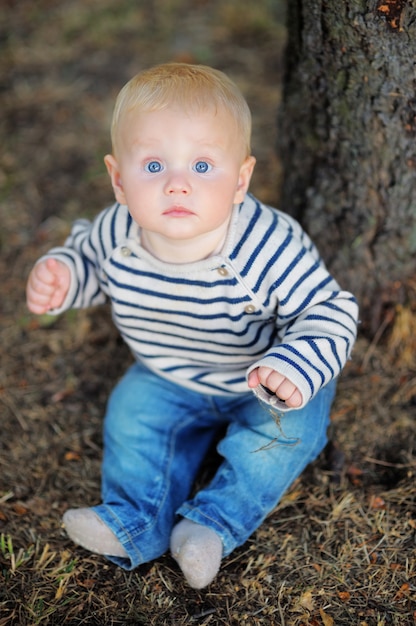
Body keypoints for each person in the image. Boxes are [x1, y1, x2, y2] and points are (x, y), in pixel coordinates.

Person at [26, 62, 358, 589]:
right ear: (118, 179)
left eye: (203, 166)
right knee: (131, 417)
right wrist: (65, 274)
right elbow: (91, 262)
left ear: (240, 180)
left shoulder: (267, 246)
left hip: (265, 380)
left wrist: (294, 364)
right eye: (154, 166)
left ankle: (211, 525)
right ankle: (134, 520)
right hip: (167, 373)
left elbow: (328, 310)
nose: (177, 184)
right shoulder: (118, 232)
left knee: (291, 432)